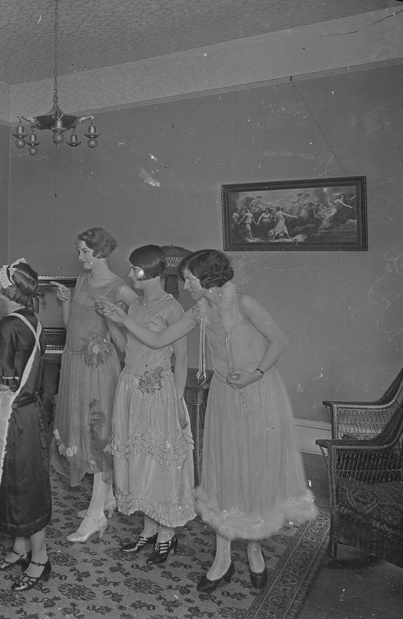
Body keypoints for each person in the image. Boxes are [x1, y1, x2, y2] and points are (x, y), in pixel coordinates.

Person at [98, 249, 316, 591]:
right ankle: (223, 556)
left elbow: (279, 342)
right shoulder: (197, 311)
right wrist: (121, 318)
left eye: (189, 278)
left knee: (253, 468)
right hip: (225, 396)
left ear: (209, 279)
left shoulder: (245, 304)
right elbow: (157, 339)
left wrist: (255, 374)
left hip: (259, 392)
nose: (184, 285)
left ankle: (255, 548)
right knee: (222, 470)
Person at [104, 245, 195, 565]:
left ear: (153, 272)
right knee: (139, 459)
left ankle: (167, 533)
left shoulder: (172, 308)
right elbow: (124, 346)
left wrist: (177, 400)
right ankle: (149, 527)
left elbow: (182, 359)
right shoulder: (135, 306)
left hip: (158, 391)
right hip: (130, 388)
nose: (130, 275)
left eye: (136, 271)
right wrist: (112, 320)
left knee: (161, 460)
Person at [51, 227, 137, 542]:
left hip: (99, 368)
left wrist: (114, 318)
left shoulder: (121, 289)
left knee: (99, 435)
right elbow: (70, 326)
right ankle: (108, 497)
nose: (79, 257)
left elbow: (136, 326)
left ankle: (95, 513)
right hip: (74, 364)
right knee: (82, 431)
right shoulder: (82, 281)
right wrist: (65, 302)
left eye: (84, 251)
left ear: (100, 252)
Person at [0, 258, 53, 592]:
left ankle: (40, 557)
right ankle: (21, 547)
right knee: (20, 481)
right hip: (28, 413)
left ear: (7, 287)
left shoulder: (7, 325)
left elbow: (4, 381)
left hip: (13, 413)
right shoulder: (33, 319)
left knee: (22, 485)